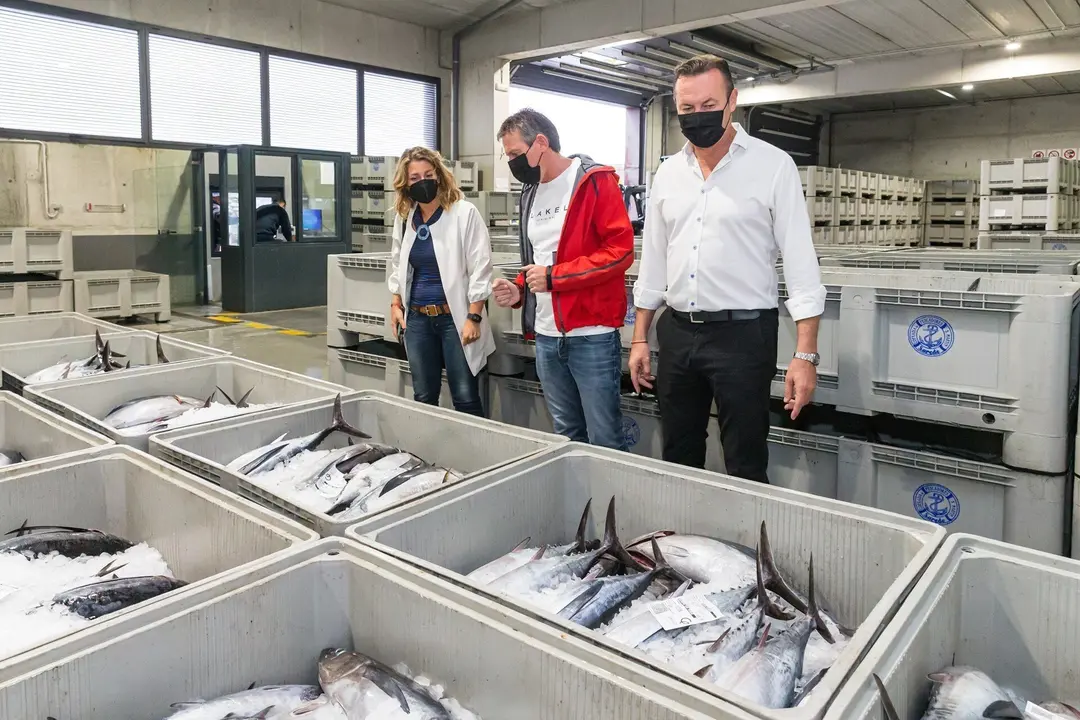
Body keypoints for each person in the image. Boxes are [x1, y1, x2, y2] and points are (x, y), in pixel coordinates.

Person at [629, 54, 826, 483]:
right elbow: (654, 264)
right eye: (686, 109)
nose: (697, 116)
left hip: (744, 336)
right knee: (678, 454)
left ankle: (745, 550)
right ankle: (680, 546)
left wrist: (805, 355)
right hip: (678, 333)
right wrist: (640, 338)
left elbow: (800, 263)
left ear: (731, 100)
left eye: (707, 105)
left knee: (745, 458)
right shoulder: (667, 174)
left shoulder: (773, 166)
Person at [492, 108, 635, 450]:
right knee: (567, 436)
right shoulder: (529, 193)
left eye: (514, 153)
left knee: (605, 439)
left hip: (591, 337)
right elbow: (539, 260)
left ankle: (609, 504)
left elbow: (620, 252)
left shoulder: (594, 181)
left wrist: (555, 277)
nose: (512, 162)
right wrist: (519, 288)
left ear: (540, 143)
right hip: (546, 337)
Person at [388, 146, 495, 416]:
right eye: (414, 178)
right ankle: (430, 455)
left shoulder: (463, 213)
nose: (422, 181)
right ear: (405, 182)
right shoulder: (404, 218)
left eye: (428, 174)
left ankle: (474, 454)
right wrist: (395, 302)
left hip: (455, 319)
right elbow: (397, 263)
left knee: (465, 396)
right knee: (423, 396)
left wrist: (474, 316)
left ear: (439, 176)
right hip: (417, 320)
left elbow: (481, 267)